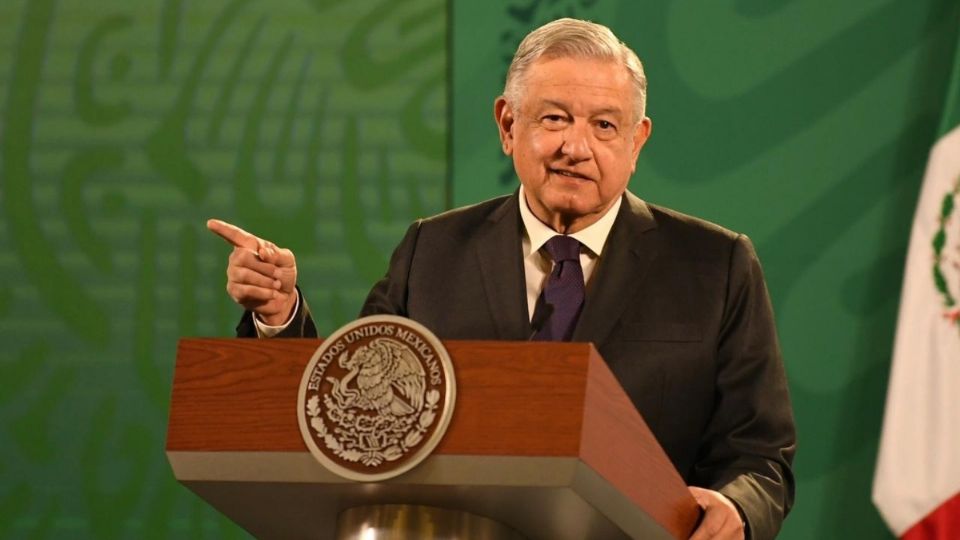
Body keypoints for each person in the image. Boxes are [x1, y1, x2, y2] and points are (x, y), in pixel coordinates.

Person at [208, 18, 795, 540]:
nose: (576, 146)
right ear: (508, 124)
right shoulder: (431, 251)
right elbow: (352, 416)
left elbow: (761, 456)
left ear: (637, 141)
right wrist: (279, 315)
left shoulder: (715, 266)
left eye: (605, 125)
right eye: (555, 118)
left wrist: (736, 509)